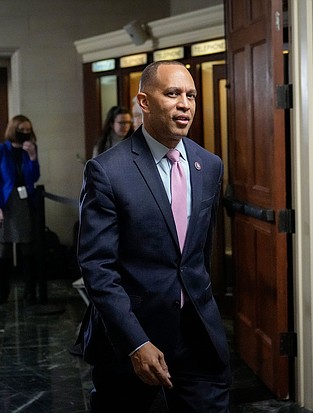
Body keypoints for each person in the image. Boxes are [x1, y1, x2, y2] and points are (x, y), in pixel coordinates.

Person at [77, 61, 231, 412]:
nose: (185, 104)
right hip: (132, 338)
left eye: (191, 95)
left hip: (197, 338)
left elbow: (199, 253)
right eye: (173, 93)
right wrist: (135, 342)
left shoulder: (209, 166)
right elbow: (98, 268)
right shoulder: (107, 171)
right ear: (144, 102)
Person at [0, 115, 40, 305]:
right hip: (6, 202)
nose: (25, 133)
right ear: (13, 130)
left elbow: (33, 177)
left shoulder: (30, 149)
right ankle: (2, 291)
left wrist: (33, 157)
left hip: (25, 202)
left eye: (28, 130)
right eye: (22, 130)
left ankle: (29, 291)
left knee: (27, 247)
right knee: (4, 248)